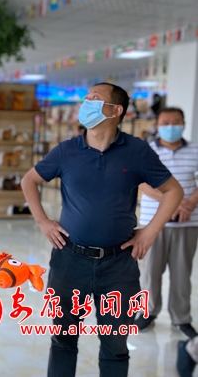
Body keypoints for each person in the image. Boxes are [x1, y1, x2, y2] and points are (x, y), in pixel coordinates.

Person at [20, 83, 183, 377]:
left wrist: (149, 232)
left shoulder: (137, 151)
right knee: (62, 341)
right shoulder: (67, 150)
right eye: (86, 98)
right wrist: (43, 221)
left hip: (118, 265)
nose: (87, 103)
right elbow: (29, 180)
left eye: (94, 98)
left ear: (116, 110)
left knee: (115, 346)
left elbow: (173, 191)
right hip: (69, 261)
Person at [136, 107, 198, 338]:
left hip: (187, 222)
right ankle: (148, 313)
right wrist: (174, 202)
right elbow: (141, 183)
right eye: (165, 122)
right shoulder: (146, 151)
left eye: (175, 122)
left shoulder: (195, 150)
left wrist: (188, 204)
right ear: (157, 125)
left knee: (182, 274)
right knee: (150, 272)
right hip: (153, 223)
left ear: (183, 123)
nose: (171, 126)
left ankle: (181, 318)